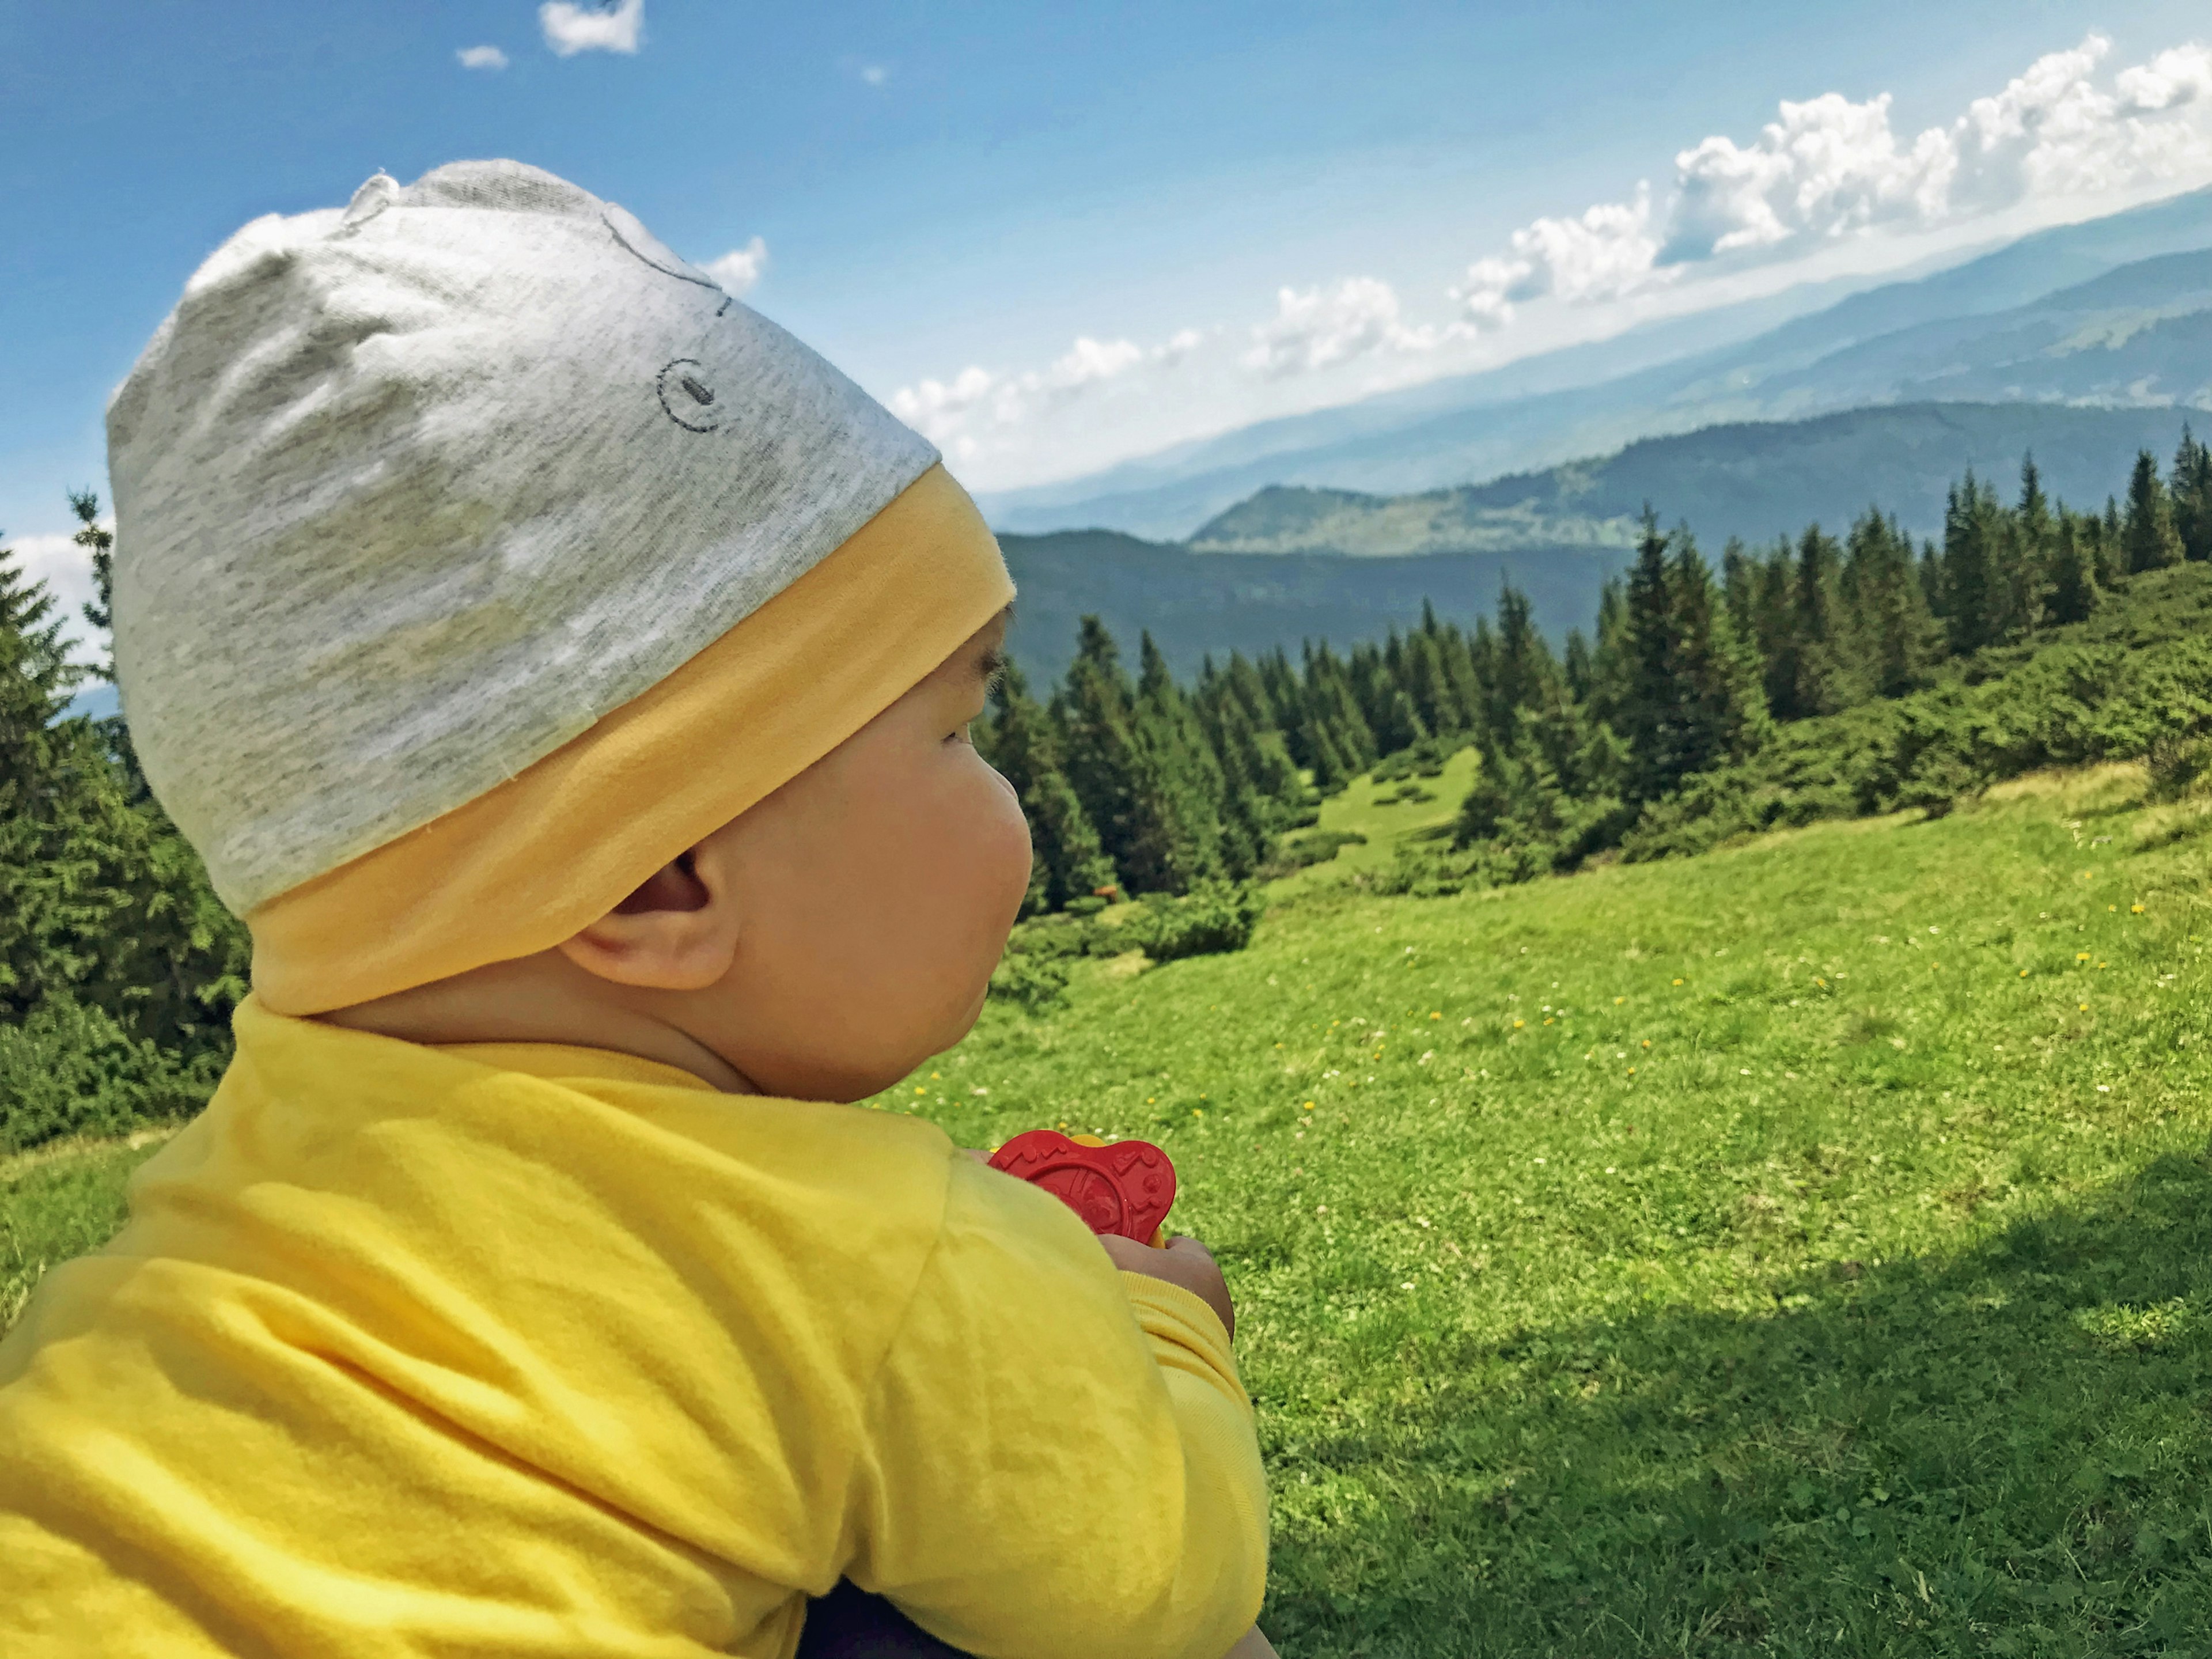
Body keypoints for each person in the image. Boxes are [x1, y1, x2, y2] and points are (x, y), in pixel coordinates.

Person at [0, 160, 1274, 1658]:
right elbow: (1166, 1587)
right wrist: (1165, 1326)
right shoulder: (866, 1267)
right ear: (656, 881)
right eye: (955, 731)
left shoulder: (180, 1261)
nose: (1013, 800)